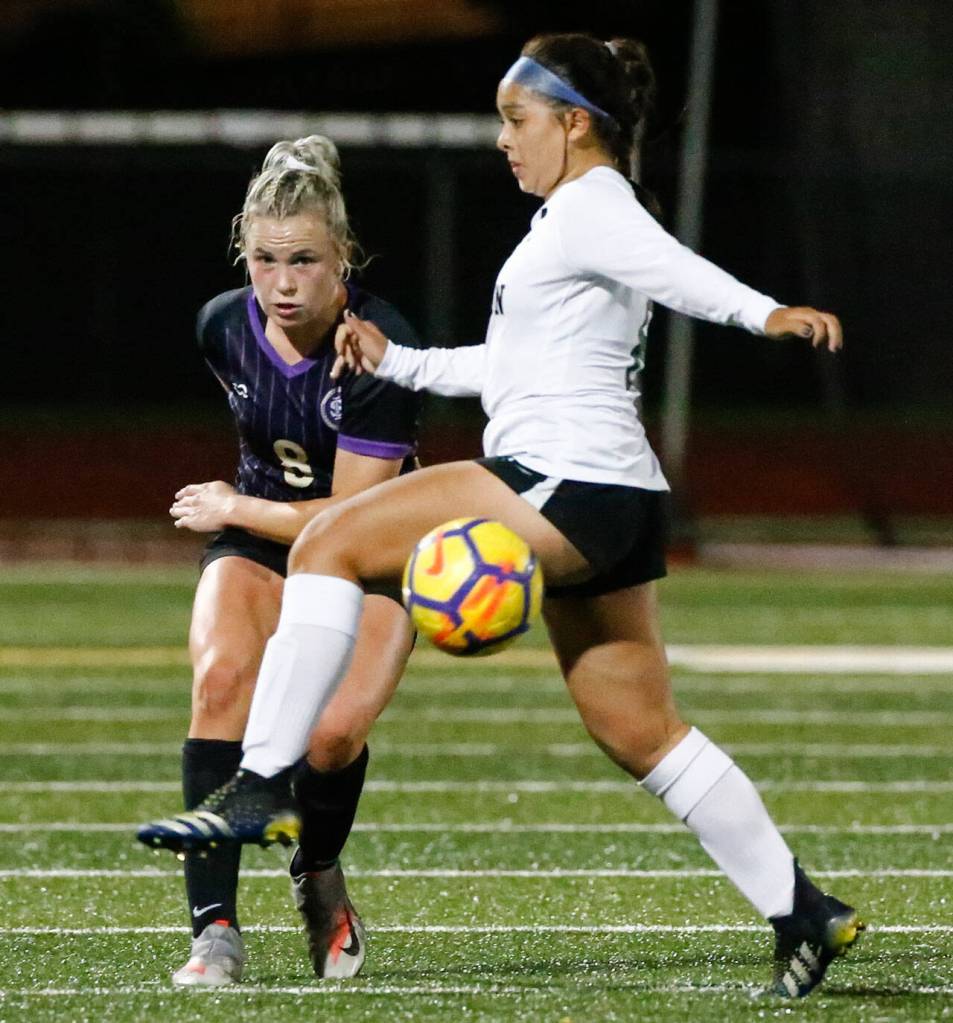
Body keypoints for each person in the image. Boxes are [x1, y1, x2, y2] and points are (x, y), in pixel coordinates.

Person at [139, 33, 863, 998]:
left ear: (573, 123)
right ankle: (801, 910)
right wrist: (399, 362)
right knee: (639, 730)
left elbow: (672, 266)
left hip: (560, 478)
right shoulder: (567, 222)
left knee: (330, 539)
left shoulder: (591, 205)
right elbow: (511, 367)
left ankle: (263, 779)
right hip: (619, 496)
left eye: (515, 121)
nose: (502, 141)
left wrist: (764, 312)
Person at [154, 134, 421, 987]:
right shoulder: (220, 326)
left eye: (304, 259)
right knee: (223, 676)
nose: (283, 281)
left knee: (333, 733)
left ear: (343, 256)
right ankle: (214, 931)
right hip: (264, 537)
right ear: (244, 255)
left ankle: (319, 871)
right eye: (265, 259)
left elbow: (349, 514)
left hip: (370, 544)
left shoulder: (382, 346)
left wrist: (232, 505)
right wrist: (244, 521)